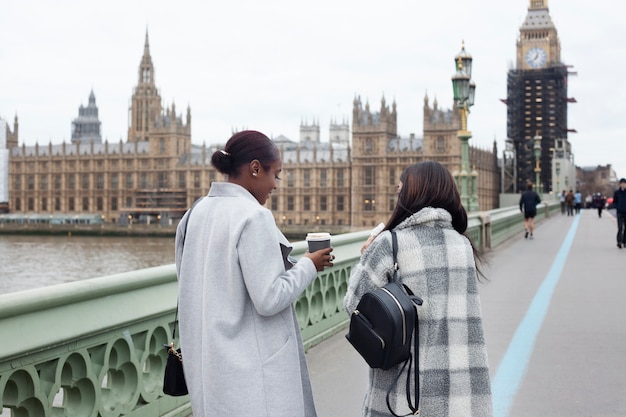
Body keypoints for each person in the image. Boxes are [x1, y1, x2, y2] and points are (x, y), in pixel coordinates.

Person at [176, 130, 333, 417]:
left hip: (208, 366)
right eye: (276, 174)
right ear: (255, 168)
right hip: (253, 376)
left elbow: (187, 281)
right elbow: (269, 298)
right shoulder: (254, 216)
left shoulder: (194, 213)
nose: (275, 185)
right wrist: (310, 265)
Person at [344, 161, 492, 417]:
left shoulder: (390, 244)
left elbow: (354, 305)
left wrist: (367, 253)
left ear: (413, 194)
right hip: (460, 394)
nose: (397, 196)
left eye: (400, 190)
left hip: (406, 395)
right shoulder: (463, 245)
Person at [613, 178, 626, 249]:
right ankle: (619, 241)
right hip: (620, 212)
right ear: (620, 184)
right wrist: (617, 207)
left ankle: (625, 241)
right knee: (620, 227)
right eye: (622, 183)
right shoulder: (617, 192)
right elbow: (614, 201)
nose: (623, 185)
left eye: (624, 184)